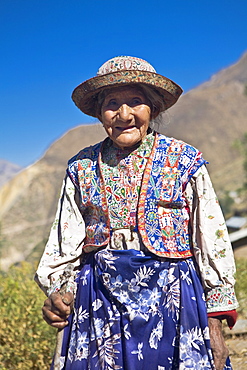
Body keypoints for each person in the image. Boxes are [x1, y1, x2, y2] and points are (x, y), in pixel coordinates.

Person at [35, 56, 238, 370]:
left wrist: (214, 322)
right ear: (100, 112)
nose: (124, 114)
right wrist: (59, 292)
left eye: (136, 102)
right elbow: (65, 241)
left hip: (174, 299)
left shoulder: (183, 159)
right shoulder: (81, 167)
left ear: (153, 109)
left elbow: (210, 236)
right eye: (112, 103)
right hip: (98, 298)